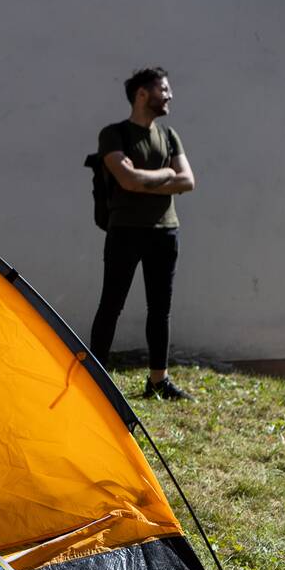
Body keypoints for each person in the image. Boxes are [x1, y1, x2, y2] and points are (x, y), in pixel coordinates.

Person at [89, 67, 196, 400]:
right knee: (112, 304)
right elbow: (126, 180)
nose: (170, 96)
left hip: (166, 231)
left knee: (160, 309)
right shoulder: (114, 134)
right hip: (125, 230)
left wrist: (146, 179)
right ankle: (95, 379)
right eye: (163, 90)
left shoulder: (169, 135)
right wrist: (166, 175)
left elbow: (188, 181)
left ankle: (158, 381)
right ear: (142, 94)